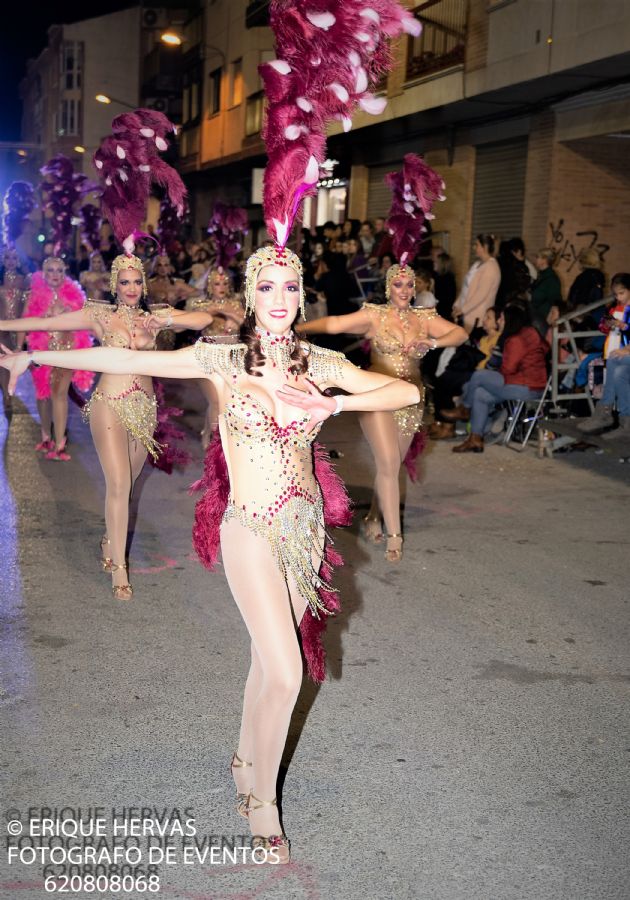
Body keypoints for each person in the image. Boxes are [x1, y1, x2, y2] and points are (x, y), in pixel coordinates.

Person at [0, 245, 421, 860]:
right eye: (268, 288)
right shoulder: (220, 360)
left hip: (305, 532)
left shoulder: (320, 363)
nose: (279, 300)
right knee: (287, 670)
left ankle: (246, 759)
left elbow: (400, 394)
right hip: (248, 527)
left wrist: (335, 403)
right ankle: (263, 805)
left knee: (264, 658)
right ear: (252, 298)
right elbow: (121, 353)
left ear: (300, 296)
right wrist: (35, 352)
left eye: (289, 288)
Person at [0, 254, 214, 598]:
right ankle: (119, 569)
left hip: (144, 408)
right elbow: (43, 320)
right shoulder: (98, 315)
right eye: (125, 282)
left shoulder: (153, 316)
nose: (131, 288)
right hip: (108, 405)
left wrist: (165, 320)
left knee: (127, 487)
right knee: (117, 484)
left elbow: (203, 319)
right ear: (114, 285)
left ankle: (110, 539)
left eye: (137, 281)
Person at [298, 261, 467, 560]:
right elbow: (335, 324)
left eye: (410, 284)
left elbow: (460, 334)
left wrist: (432, 342)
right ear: (389, 287)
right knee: (388, 461)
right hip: (375, 397)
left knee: (390, 466)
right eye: (398, 284)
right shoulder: (375, 316)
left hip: (411, 401)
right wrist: (294, 328)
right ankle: (394, 536)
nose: (404, 290)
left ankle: (374, 515)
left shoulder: (423, 318)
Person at [444, 302, 549, 452]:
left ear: (510, 321)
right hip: (533, 385)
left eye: (502, 319)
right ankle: (476, 439)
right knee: (480, 393)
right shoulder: (530, 332)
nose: (500, 321)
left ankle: (465, 408)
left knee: (478, 376)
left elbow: (508, 369)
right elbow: (544, 349)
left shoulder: (515, 340)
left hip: (525, 386)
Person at [18, 257, 94, 458]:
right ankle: (45, 436)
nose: (55, 274)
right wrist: (19, 347)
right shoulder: (34, 295)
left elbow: (86, 324)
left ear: (65, 272)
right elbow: (24, 323)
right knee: (43, 395)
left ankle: (59, 444)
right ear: (43, 273)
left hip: (65, 351)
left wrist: (70, 315)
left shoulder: (75, 296)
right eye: (50, 270)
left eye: (59, 270)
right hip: (40, 351)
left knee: (60, 394)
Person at [185, 267, 245, 446]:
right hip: (207, 360)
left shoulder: (236, 305)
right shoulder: (200, 305)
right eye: (217, 283)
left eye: (225, 283)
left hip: (232, 361)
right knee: (217, 401)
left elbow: (247, 325)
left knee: (224, 402)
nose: (222, 287)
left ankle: (207, 434)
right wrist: (213, 311)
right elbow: (191, 323)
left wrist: (229, 313)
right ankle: (214, 446)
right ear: (209, 286)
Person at [429, 306, 500, 440]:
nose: (484, 320)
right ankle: (442, 423)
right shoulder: (483, 338)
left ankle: (448, 426)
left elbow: (492, 365)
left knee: (447, 380)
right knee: (444, 379)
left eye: (488, 318)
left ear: (498, 321)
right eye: (484, 317)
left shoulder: (498, 339)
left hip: (483, 375)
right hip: (473, 371)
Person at [577, 272, 630, 438]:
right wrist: (609, 324)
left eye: (622, 293)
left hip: (623, 351)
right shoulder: (614, 308)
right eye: (616, 294)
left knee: (616, 363)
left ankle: (605, 411)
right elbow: (603, 325)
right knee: (618, 372)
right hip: (617, 349)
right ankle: (623, 421)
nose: (619, 297)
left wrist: (627, 343)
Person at [452, 234, 501, 332]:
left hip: (475, 317)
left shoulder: (491, 268)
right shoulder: (477, 264)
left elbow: (481, 295)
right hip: (465, 314)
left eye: (477, 245)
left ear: (485, 247)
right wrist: (457, 305)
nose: (474, 247)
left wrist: (463, 310)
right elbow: (466, 288)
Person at [0, 247, 29, 412]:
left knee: (13, 362)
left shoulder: (24, 280)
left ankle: (8, 393)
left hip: (18, 327)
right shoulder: (0, 279)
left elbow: (29, 304)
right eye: (7, 258)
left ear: (18, 261)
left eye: (13, 258)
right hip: (2, 327)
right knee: (3, 362)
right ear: (3, 261)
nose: (10, 261)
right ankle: (6, 394)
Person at [530, 248, 562, 330]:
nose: (535, 259)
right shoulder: (542, 276)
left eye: (538, 257)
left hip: (543, 322)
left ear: (544, 260)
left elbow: (555, 301)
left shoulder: (551, 279)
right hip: (537, 318)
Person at [432, 252, 457, 321]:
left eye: (436, 262)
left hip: (443, 313)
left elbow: (443, 299)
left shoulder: (445, 279)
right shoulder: (440, 277)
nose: (433, 263)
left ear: (442, 264)